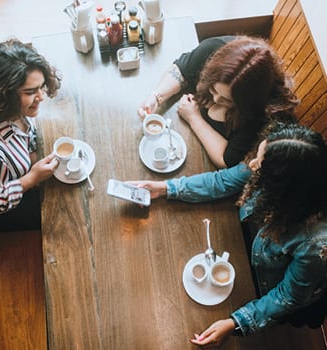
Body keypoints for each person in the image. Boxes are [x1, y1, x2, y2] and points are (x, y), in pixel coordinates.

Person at [135, 124, 327, 346]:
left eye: (259, 164)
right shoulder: (276, 163)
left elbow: (286, 297)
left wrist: (236, 323)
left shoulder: (316, 243)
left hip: (270, 284)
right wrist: (165, 188)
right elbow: (222, 181)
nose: (252, 164)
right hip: (250, 248)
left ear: (285, 187)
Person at [138, 35, 298, 168]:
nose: (215, 99)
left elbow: (226, 159)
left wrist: (194, 118)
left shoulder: (260, 109)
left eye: (227, 100)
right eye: (213, 90)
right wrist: (156, 97)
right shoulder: (212, 50)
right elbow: (182, 70)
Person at [0, 39, 61, 231]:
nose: (41, 97)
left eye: (41, 86)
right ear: (5, 93)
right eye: (31, 91)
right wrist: (31, 178)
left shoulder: (11, 109)